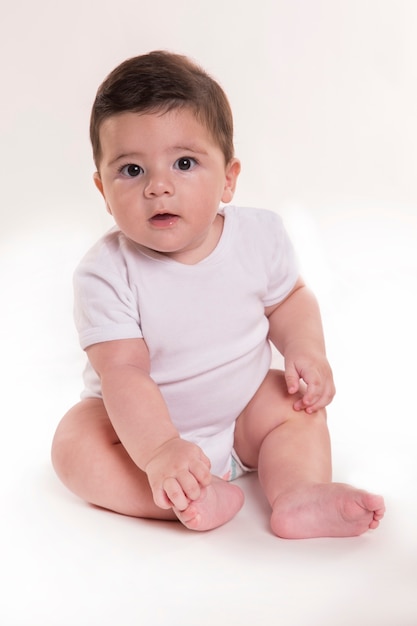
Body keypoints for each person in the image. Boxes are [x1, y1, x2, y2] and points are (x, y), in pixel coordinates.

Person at [51, 50, 385, 538]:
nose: (158, 187)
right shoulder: (105, 273)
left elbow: (290, 300)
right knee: (75, 442)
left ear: (229, 178)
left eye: (184, 163)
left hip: (243, 413)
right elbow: (123, 373)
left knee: (296, 407)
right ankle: (184, 496)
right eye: (131, 170)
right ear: (103, 190)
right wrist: (162, 449)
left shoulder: (259, 237)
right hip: (139, 438)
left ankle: (297, 493)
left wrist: (305, 350)